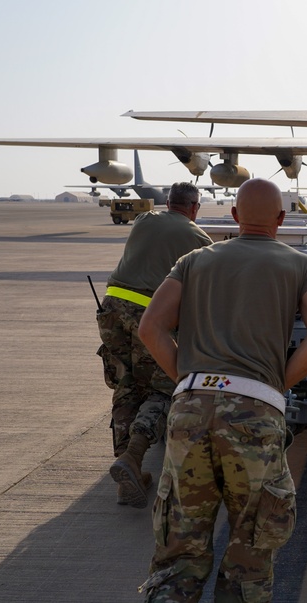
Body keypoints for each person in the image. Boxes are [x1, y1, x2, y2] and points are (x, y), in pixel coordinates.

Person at [137, 178, 307, 602]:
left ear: (233, 217)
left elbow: (150, 327)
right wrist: (277, 383)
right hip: (255, 410)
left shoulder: (193, 261)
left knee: (180, 550)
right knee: (250, 549)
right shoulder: (303, 266)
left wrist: (188, 383)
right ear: (282, 220)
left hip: (190, 407)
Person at [99, 182, 212, 509]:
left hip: (111, 308)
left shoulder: (144, 220)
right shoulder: (197, 237)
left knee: (126, 383)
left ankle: (127, 470)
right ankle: (134, 456)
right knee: (162, 389)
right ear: (194, 208)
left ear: (168, 202)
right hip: (148, 317)